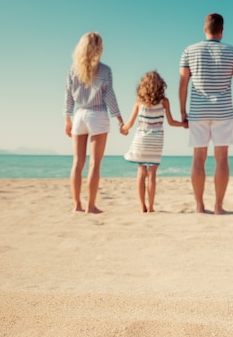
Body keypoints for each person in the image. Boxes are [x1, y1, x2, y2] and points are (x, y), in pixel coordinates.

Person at [179, 13, 233, 215]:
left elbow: (183, 82)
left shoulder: (189, 51)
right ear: (222, 31)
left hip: (198, 111)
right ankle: (218, 206)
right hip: (223, 111)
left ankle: (200, 206)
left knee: (198, 158)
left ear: (204, 29)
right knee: (222, 158)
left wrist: (182, 111)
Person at [64, 31, 124, 214]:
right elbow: (109, 96)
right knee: (94, 164)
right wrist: (119, 118)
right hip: (97, 115)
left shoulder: (73, 70)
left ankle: (77, 205)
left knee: (77, 163)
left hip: (79, 115)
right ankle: (91, 206)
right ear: (100, 48)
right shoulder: (105, 70)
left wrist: (67, 119)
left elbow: (68, 96)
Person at [121, 71, 186, 213]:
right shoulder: (164, 102)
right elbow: (171, 122)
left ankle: (142, 206)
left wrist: (123, 129)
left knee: (141, 172)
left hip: (141, 139)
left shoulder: (139, 102)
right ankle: (151, 207)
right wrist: (184, 124)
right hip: (156, 139)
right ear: (160, 85)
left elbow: (129, 124)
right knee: (152, 174)